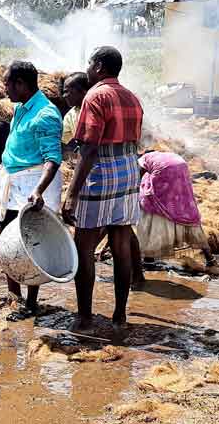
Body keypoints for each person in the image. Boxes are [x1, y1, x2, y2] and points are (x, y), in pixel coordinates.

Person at [62, 46, 144, 333]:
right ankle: (120, 316)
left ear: (98, 66)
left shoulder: (96, 95)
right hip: (129, 171)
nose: (86, 68)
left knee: (83, 246)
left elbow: (90, 147)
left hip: (102, 173)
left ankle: (85, 317)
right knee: (121, 244)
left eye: (89, 63)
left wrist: (72, 193)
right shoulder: (132, 97)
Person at [0, 61, 63, 314]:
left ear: (21, 84)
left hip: (32, 185)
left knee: (29, 243)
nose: (4, 89)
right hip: (16, 184)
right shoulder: (21, 108)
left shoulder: (44, 114)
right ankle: (16, 299)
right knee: (7, 240)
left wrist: (38, 190)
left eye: (7, 83)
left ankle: (27, 302)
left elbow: (52, 159)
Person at [136, 151, 216, 268]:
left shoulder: (143, 159)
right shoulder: (162, 154)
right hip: (181, 167)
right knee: (184, 208)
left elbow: (139, 178)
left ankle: (149, 259)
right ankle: (210, 259)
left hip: (166, 169)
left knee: (152, 206)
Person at [61, 71, 90, 148]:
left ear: (84, 91)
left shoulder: (99, 109)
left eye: (67, 91)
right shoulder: (71, 115)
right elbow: (61, 138)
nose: (64, 96)